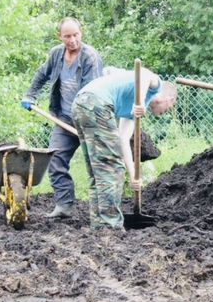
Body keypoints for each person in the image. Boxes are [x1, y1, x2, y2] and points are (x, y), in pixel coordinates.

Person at [71, 66, 177, 231]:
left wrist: (134, 176)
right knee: (111, 168)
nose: (168, 111)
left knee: (98, 169)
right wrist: (140, 102)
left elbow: (123, 140)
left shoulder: (132, 106)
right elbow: (144, 73)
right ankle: (110, 225)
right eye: (171, 106)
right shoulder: (156, 85)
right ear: (169, 98)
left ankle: (99, 223)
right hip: (97, 103)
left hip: (81, 104)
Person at [21, 17, 103, 218]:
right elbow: (42, 74)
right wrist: (30, 95)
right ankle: (64, 205)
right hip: (64, 118)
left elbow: (89, 93)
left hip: (90, 119)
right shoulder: (56, 54)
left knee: (98, 165)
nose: (72, 40)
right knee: (56, 158)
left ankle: (103, 210)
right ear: (60, 36)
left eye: (75, 35)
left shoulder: (89, 57)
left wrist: (84, 126)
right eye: (67, 36)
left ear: (81, 33)